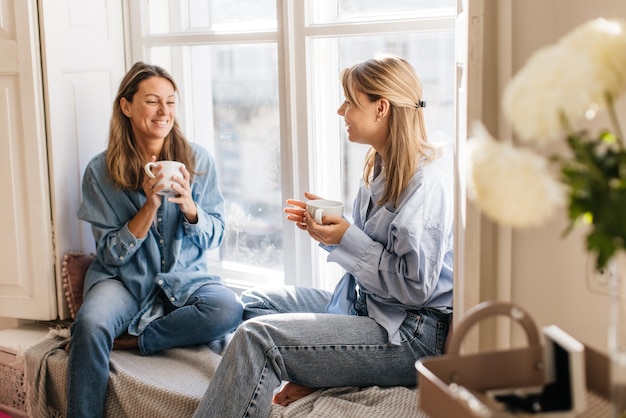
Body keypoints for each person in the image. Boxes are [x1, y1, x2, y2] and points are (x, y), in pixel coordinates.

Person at [193, 53, 454, 418]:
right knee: (254, 304)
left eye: (349, 101)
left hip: (412, 333)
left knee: (257, 338)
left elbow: (416, 288)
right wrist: (334, 232)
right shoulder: (378, 166)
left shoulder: (426, 185)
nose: (339, 111)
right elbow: (373, 254)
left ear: (381, 108)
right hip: (372, 307)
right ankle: (317, 371)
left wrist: (346, 237)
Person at [67, 62, 243, 418]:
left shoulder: (197, 160)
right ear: (126, 106)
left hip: (186, 279)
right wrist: (149, 206)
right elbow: (110, 255)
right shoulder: (99, 172)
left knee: (228, 308)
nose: (164, 112)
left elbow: (217, 233)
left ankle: (135, 339)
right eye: (152, 101)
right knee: (89, 326)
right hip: (123, 281)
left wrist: (192, 209)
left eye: (171, 102)